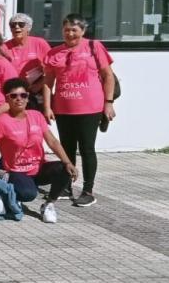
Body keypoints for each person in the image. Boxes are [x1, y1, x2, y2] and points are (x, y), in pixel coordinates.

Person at [42, 13, 116, 208]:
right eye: (66, 30)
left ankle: (88, 190)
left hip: (90, 108)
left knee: (87, 148)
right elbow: (48, 83)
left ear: (83, 31)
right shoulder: (53, 53)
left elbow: (108, 76)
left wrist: (108, 103)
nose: (70, 33)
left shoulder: (94, 47)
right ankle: (66, 186)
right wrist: (48, 107)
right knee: (66, 148)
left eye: (74, 30)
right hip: (63, 108)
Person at [0, 78, 78, 223]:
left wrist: (68, 162)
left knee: (64, 169)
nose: (19, 99)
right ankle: (5, 182)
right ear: (7, 99)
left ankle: (48, 204)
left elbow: (52, 141)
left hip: (37, 168)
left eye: (23, 95)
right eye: (13, 96)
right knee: (28, 194)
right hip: (16, 170)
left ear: (28, 97)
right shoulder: (1, 122)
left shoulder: (36, 116)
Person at [4, 13, 51, 107]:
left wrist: (39, 85)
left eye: (21, 24)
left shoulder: (39, 43)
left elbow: (52, 69)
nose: (16, 27)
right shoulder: (4, 47)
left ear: (28, 28)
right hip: (14, 93)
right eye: (13, 25)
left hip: (36, 91)